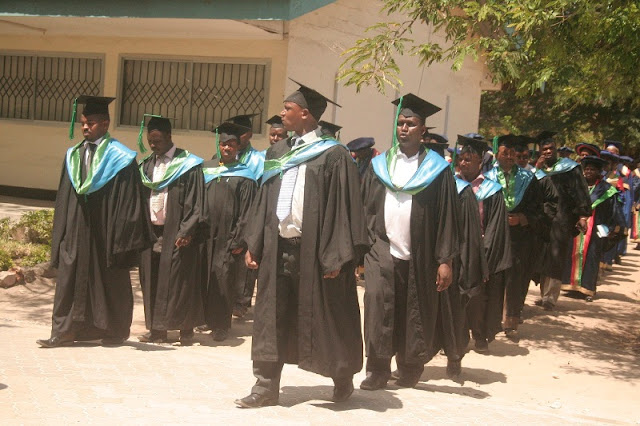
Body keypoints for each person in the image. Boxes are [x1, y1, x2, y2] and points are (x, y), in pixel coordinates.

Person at [235, 80, 368, 408]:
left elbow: (345, 208)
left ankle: (341, 376)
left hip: (317, 252)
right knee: (271, 316)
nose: (282, 114)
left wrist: (337, 255)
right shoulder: (277, 152)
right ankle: (265, 386)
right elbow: (264, 199)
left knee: (329, 315)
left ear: (306, 114)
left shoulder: (334, 155)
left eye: (288, 108)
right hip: (278, 247)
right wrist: (254, 242)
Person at [359, 93, 460, 391]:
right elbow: (366, 208)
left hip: (421, 252)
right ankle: (377, 370)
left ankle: (409, 368)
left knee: (413, 310)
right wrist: (363, 248)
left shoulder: (437, 170)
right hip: (381, 249)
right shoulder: (380, 165)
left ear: (422, 130)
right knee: (378, 306)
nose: (404, 128)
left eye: (411, 124)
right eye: (400, 123)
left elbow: (447, 217)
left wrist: (445, 259)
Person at [37, 95, 153, 348]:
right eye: (83, 123)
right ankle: (64, 331)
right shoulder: (73, 155)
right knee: (70, 277)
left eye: (90, 123)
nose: (85, 127)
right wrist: (62, 232)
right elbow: (65, 197)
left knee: (110, 278)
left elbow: (130, 200)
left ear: (105, 124)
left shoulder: (120, 157)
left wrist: (122, 235)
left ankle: (115, 330)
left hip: (107, 229)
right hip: (78, 228)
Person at [137, 115, 206, 345]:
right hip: (152, 232)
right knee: (153, 281)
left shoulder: (187, 164)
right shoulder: (146, 165)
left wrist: (186, 231)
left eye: (157, 140)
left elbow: (196, 202)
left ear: (169, 136)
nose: (153, 145)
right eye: (150, 140)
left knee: (180, 283)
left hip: (177, 232)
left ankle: (185, 330)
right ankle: (157, 330)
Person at [201, 122, 257, 341]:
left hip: (229, 236)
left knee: (224, 279)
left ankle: (221, 325)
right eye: (223, 144)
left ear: (237, 147)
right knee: (205, 276)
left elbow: (247, 211)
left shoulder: (245, 175)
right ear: (219, 144)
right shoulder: (206, 169)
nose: (227, 148)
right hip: (205, 234)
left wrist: (239, 240)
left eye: (231, 144)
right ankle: (204, 318)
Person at [457, 135, 512, 353]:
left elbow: (494, 228)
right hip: (455, 249)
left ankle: (480, 335)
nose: (463, 163)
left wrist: (485, 258)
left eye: (468, 159)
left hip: (480, 250)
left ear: (480, 162)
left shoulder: (491, 190)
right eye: (461, 159)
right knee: (456, 295)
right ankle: (457, 337)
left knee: (478, 296)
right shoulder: (451, 184)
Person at [485, 134, 544, 339]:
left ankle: (510, 321)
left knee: (515, 278)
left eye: (512, 153)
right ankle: (491, 320)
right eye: (505, 152)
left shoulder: (528, 179)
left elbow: (539, 209)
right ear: (497, 154)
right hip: (493, 236)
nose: (509, 157)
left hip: (519, 237)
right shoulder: (487, 178)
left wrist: (523, 218)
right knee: (493, 277)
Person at [534, 131, 591, 311]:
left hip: (562, 218)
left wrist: (582, 215)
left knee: (556, 256)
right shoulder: (537, 169)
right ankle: (543, 294)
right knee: (542, 255)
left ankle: (550, 298)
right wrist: (537, 168)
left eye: (551, 148)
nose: (548, 151)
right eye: (544, 149)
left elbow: (581, 191)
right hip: (542, 219)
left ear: (556, 149)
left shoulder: (570, 168)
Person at [562, 156, 625, 301]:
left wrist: (609, 229)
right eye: (587, 169)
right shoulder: (578, 186)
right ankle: (572, 286)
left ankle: (588, 289)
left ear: (599, 172)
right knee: (573, 254)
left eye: (593, 169)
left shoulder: (607, 190)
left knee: (592, 257)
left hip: (596, 229)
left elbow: (614, 212)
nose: (589, 172)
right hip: (576, 227)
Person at [221, 114, 266, 318]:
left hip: (250, 213)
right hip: (226, 216)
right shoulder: (223, 157)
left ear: (248, 135)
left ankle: (241, 301)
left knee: (245, 261)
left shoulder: (259, 160)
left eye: (240, 133)